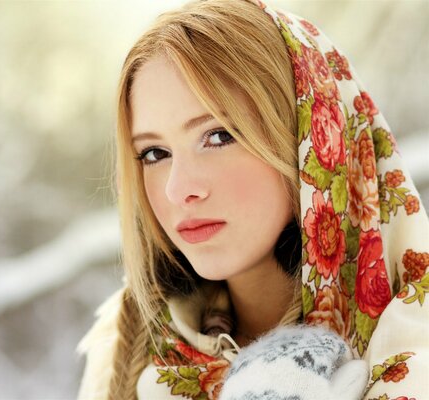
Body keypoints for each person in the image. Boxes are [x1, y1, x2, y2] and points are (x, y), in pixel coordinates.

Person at [76, 0, 429, 399]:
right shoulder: (133, 356)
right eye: (155, 153)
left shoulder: (417, 350)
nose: (178, 189)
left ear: (315, 138)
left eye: (219, 135)